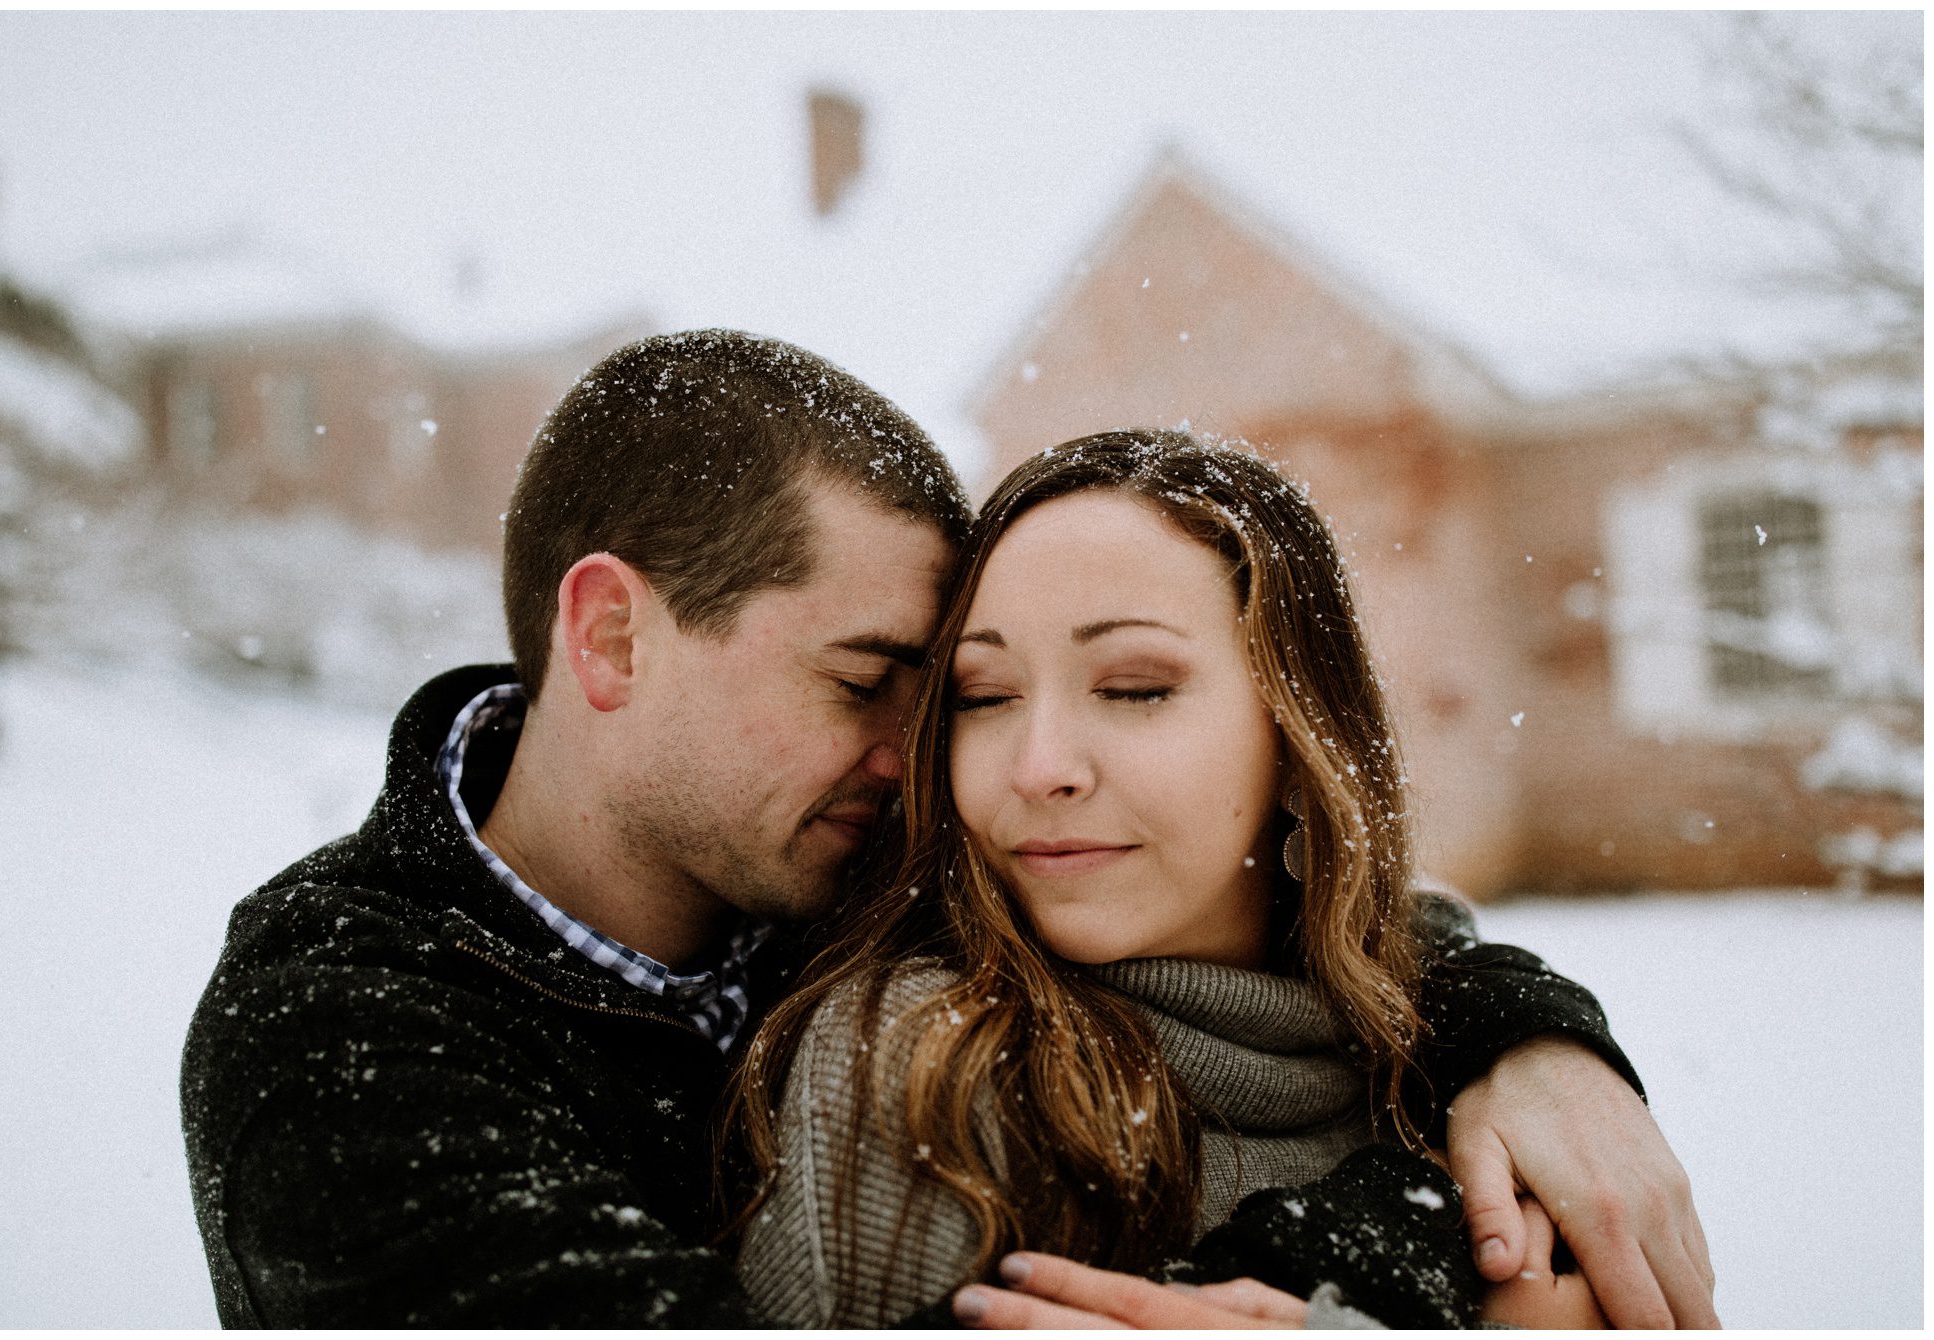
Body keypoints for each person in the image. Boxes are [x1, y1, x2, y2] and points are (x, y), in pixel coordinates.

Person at [180, 333, 1714, 1327]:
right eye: (878, 682)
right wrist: (1389, 1270)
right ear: (615, 642)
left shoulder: (834, 879)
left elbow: (1346, 940)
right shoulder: (342, 1037)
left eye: (941, 696)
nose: (955, 764)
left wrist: (1534, 1045)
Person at [730, 430, 1700, 1329]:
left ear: (1295, 734)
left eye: (1133, 686)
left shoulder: (1448, 1060)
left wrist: (1534, 1039)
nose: (1038, 766)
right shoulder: (922, 1070)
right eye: (983, 697)